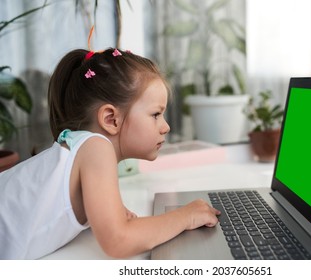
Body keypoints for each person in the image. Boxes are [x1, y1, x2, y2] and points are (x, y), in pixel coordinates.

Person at [0, 46, 220, 259]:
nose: (166, 127)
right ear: (110, 119)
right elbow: (118, 241)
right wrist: (185, 217)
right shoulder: (96, 146)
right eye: (155, 114)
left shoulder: (83, 148)